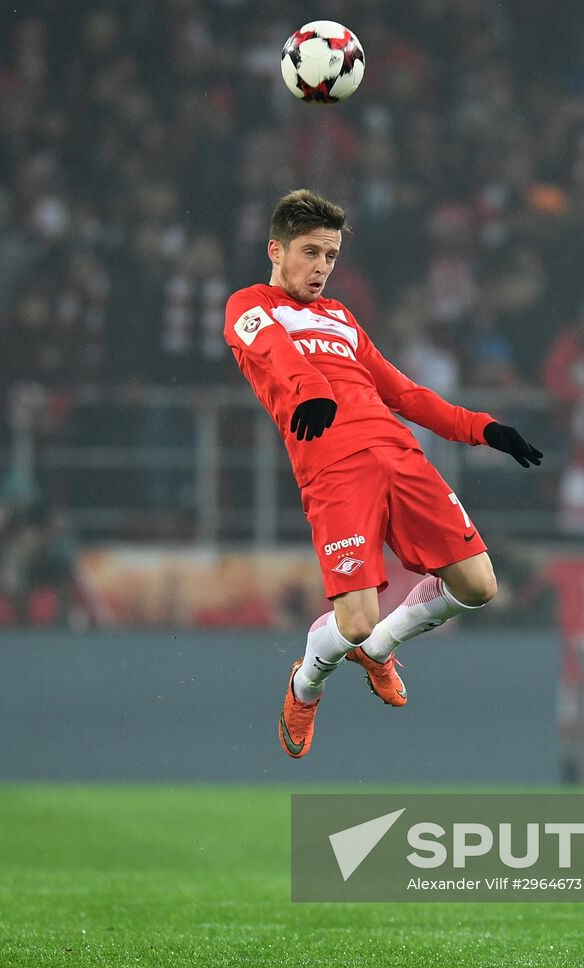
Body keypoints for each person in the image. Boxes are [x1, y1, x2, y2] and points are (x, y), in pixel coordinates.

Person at [224, 190, 544, 759]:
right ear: (275, 248)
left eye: (330, 256)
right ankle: (305, 687)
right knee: (353, 619)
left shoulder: (342, 318)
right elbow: (276, 352)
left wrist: (484, 429)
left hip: (400, 456)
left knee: (479, 585)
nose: (321, 267)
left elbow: (403, 392)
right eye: (309, 252)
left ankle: (382, 649)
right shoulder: (249, 305)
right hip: (334, 470)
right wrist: (313, 392)